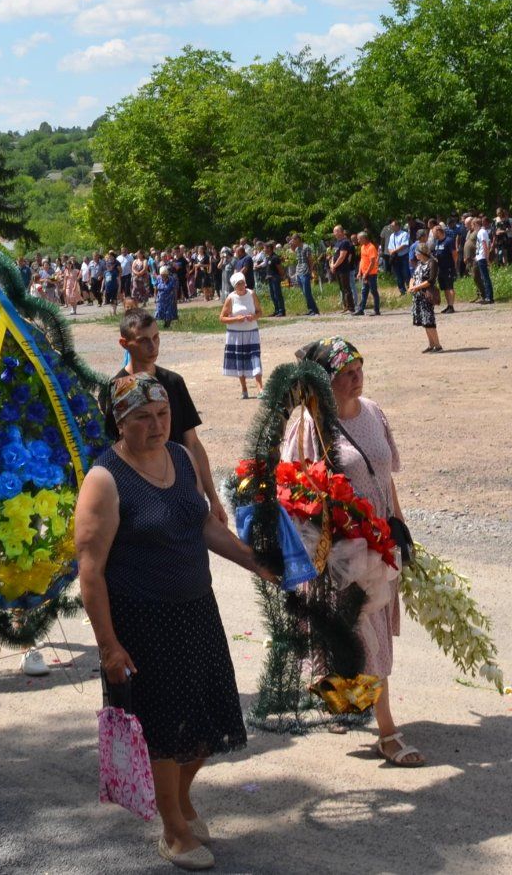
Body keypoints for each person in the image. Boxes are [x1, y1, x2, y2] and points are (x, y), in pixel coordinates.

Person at [75, 374, 276, 870]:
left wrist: (255, 562)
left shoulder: (182, 460)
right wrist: (108, 647)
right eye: (142, 417)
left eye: (162, 415)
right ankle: (172, 827)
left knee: (207, 718)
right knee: (164, 729)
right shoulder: (105, 480)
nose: (156, 425)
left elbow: (204, 524)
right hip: (142, 623)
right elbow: (91, 573)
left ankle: (181, 800)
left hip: (196, 611)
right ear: (120, 421)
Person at [287, 338, 419, 765]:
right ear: (324, 382)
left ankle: (344, 700)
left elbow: (386, 473)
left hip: (380, 541)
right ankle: (388, 732)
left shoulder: (374, 412)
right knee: (366, 632)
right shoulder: (309, 426)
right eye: (345, 372)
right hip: (343, 549)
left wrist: (399, 524)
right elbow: (295, 488)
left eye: (358, 367)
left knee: (364, 630)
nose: (355, 376)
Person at [115, 310, 226, 523]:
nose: (153, 346)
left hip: (183, 484)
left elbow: (192, 442)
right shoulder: (117, 389)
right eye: (144, 340)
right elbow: (117, 449)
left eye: (156, 338)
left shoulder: (174, 382)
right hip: (144, 496)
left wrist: (214, 499)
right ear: (124, 343)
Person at [219, 271, 263, 399]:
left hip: (251, 331)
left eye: (243, 282)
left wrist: (253, 317)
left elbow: (260, 312)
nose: (242, 285)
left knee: (255, 358)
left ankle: (260, 388)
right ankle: (244, 389)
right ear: (234, 286)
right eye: (239, 284)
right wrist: (235, 319)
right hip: (236, 334)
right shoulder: (231, 298)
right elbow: (222, 318)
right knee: (240, 361)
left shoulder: (252, 294)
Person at [407, 247, 444, 353]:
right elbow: (413, 277)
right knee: (424, 322)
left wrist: (416, 287)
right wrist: (411, 286)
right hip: (418, 296)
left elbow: (431, 280)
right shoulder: (419, 264)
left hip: (426, 296)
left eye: (417, 253)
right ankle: (431, 345)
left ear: (422, 253)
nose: (415, 255)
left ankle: (438, 346)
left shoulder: (432, 263)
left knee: (429, 321)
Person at [288, 234, 321, 316]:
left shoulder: (306, 247)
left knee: (307, 292)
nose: (292, 241)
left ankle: (313, 310)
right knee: (304, 292)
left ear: (298, 239)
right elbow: (298, 260)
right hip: (299, 272)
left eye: (294, 239)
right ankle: (311, 309)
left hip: (305, 271)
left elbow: (310, 260)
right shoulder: (297, 249)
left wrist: (310, 271)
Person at [352, 229, 382, 316]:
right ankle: (361, 309)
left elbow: (373, 262)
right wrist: (359, 272)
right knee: (364, 291)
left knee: (374, 291)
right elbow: (362, 260)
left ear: (364, 238)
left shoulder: (371, 247)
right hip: (365, 274)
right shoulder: (362, 247)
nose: (358, 241)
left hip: (371, 274)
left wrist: (366, 273)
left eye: (359, 239)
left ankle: (377, 310)